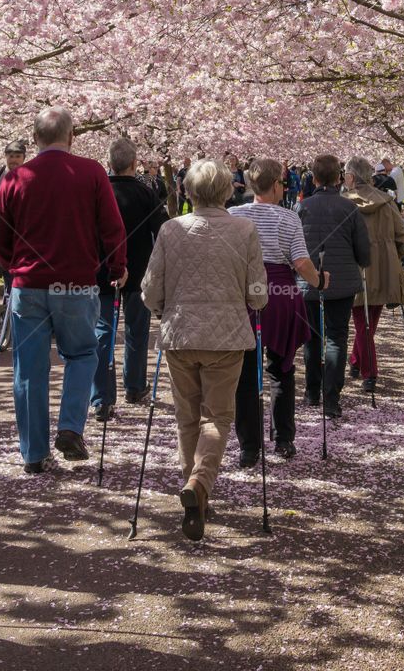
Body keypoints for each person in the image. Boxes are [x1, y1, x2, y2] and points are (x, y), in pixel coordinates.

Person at [0, 107, 127, 474]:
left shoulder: (16, 178)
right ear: (72, 137)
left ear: (35, 139)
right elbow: (112, 227)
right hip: (76, 283)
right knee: (82, 354)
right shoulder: (92, 172)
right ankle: (70, 426)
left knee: (29, 370)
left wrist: (11, 266)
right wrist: (116, 267)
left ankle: (34, 454)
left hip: (28, 285)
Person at [141, 159, 266, 540]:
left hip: (180, 335)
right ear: (228, 190)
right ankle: (198, 485)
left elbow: (150, 290)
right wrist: (252, 301)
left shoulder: (170, 229)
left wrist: (162, 309)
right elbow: (258, 293)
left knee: (187, 418)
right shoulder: (244, 229)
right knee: (218, 417)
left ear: (189, 192)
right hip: (226, 338)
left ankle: (197, 493)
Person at [229, 158, 328, 462]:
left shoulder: (233, 215)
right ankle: (283, 439)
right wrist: (320, 281)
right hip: (280, 295)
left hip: (244, 296)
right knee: (281, 368)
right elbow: (300, 262)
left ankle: (248, 446)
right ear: (275, 185)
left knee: (244, 373)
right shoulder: (288, 218)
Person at [91, 138, 169, 421]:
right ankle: (134, 387)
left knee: (103, 333)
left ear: (109, 163)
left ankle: (102, 397)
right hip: (138, 272)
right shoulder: (146, 193)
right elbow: (162, 231)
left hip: (103, 272)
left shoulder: (99, 192)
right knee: (137, 332)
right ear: (134, 163)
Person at [297, 154, 370, 418]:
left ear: (314, 178)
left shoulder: (301, 209)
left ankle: (312, 392)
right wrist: (361, 261)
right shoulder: (348, 208)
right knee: (337, 337)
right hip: (342, 283)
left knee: (312, 339)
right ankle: (331, 399)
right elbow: (363, 251)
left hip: (309, 283)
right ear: (339, 178)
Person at [343, 157, 404, 391]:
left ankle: (370, 372)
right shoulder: (387, 202)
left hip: (355, 267)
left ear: (351, 177)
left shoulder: (343, 203)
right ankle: (356, 360)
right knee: (368, 321)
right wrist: (392, 254)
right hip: (384, 266)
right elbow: (401, 234)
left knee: (362, 321)